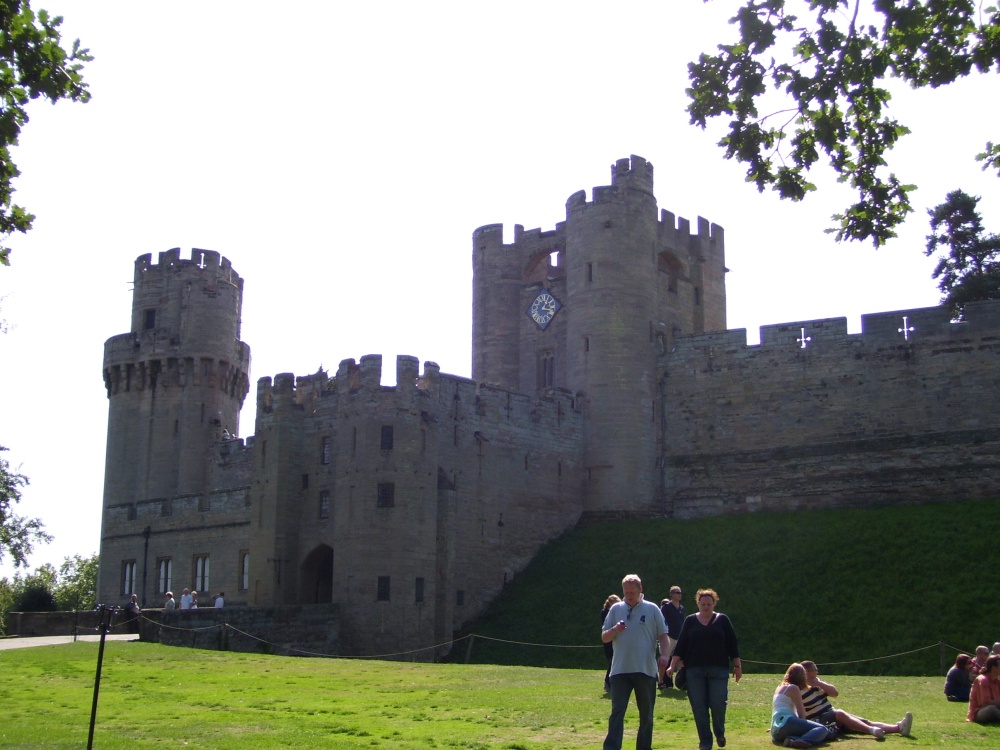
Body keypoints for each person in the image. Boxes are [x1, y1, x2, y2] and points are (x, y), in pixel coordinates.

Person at [601, 573, 670, 750]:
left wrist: (664, 655)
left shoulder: (653, 609)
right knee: (617, 712)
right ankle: (612, 747)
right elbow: (604, 637)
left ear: (641, 590)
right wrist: (615, 629)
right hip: (620, 671)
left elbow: (663, 635)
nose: (629, 595)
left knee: (646, 715)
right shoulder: (615, 609)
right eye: (626, 592)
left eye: (632, 592)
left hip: (645, 670)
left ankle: (644, 747)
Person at [666, 588, 741, 750]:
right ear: (698, 604)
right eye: (703, 604)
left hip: (719, 670)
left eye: (709, 604)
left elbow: (732, 644)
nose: (706, 606)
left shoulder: (722, 620)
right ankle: (705, 742)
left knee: (718, 703)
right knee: (699, 707)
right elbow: (681, 645)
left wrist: (737, 666)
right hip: (695, 671)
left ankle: (719, 732)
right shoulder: (690, 621)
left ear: (714, 604)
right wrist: (672, 666)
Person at [799, 660, 912, 738]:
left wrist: (819, 683)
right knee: (840, 714)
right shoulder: (798, 689)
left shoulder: (818, 684)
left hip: (832, 715)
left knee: (864, 722)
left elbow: (835, 693)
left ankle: (898, 728)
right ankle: (872, 731)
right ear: (808, 672)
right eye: (815, 670)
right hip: (820, 721)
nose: (817, 672)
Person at [771, 663, 832, 748]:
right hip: (788, 722)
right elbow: (802, 714)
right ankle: (800, 741)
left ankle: (791, 740)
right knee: (822, 729)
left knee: (810, 730)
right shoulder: (793, 688)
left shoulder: (779, 688)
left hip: (775, 730)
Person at [659, 586, 685, 689]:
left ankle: (680, 681)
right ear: (672, 594)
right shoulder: (666, 607)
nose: (679, 594)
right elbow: (661, 622)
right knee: (665, 660)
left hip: (679, 637)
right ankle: (661, 681)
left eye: (680, 593)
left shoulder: (682, 608)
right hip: (668, 636)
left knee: (679, 660)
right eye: (677, 592)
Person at [968, 654, 1000, 723]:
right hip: (979, 712)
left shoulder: (997, 681)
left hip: (996, 707)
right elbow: (985, 703)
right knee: (991, 709)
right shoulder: (983, 680)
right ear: (993, 668)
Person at [601, 594, 622, 692]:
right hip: (609, 640)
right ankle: (608, 682)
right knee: (612, 661)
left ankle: (610, 682)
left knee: (614, 661)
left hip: (616, 639)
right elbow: (605, 627)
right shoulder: (605, 612)